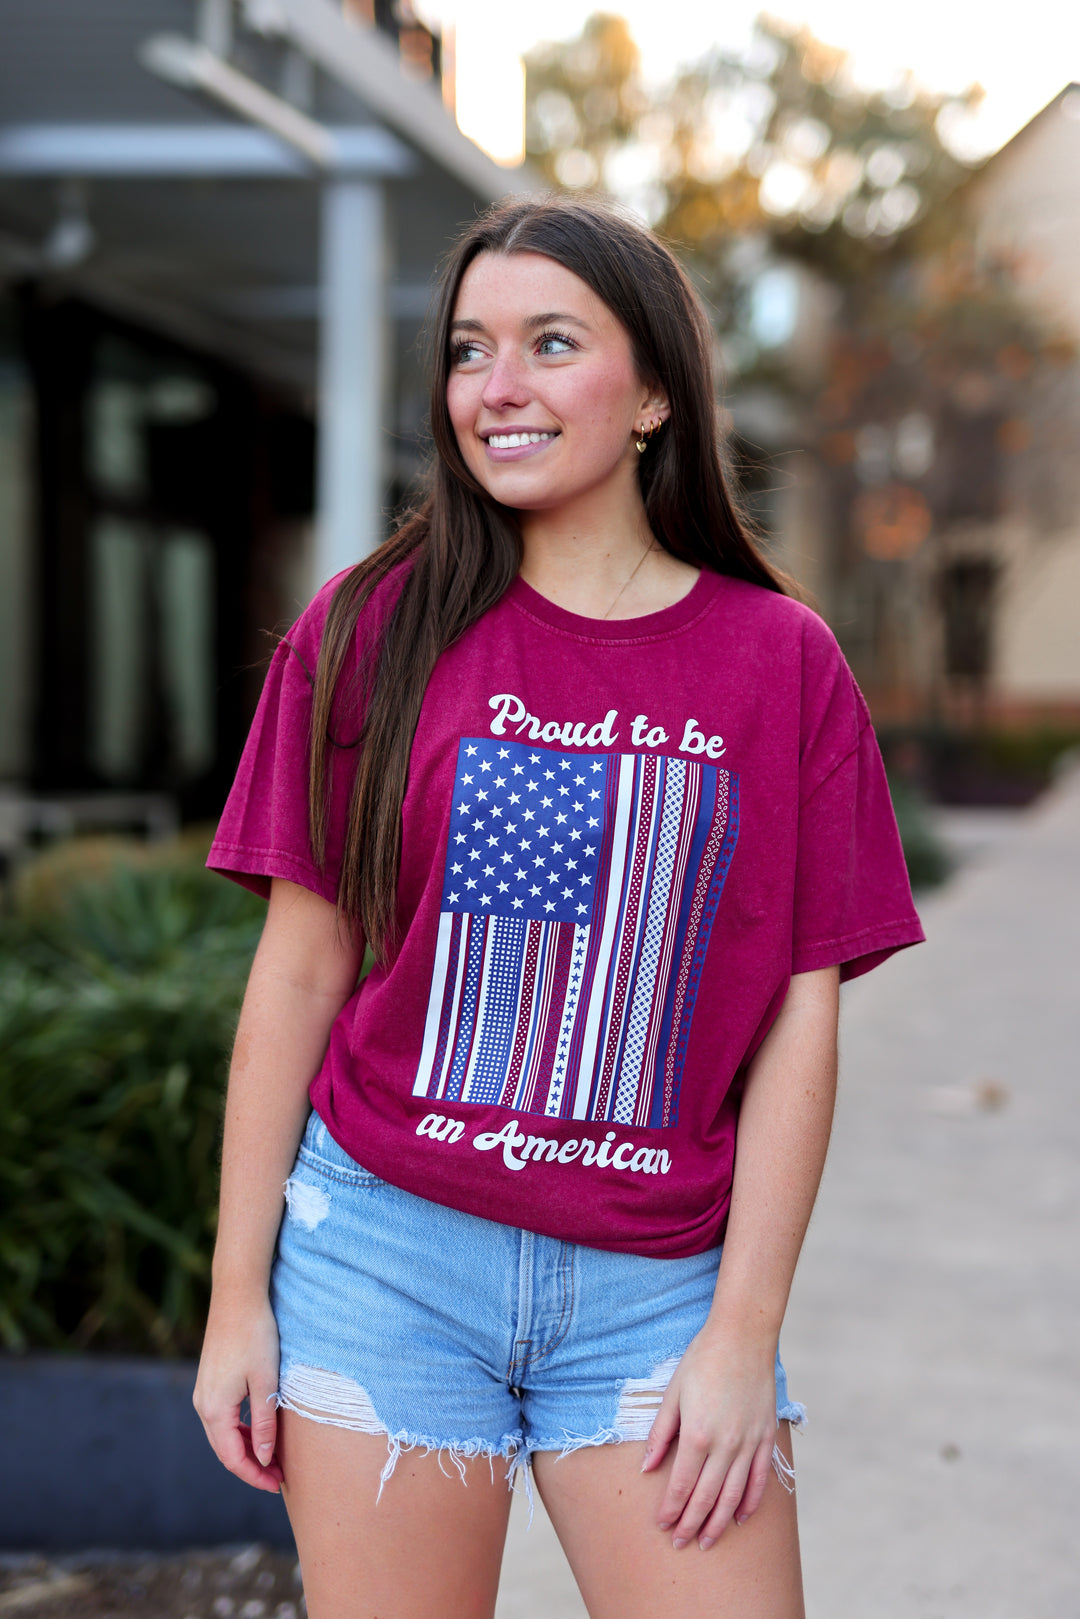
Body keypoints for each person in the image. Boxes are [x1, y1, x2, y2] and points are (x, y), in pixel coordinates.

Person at [194, 194, 923, 1619]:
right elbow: (298, 976)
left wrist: (741, 1334)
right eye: (470, 351)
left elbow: (797, 1020)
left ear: (655, 391)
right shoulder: (371, 630)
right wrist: (236, 1303)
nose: (498, 387)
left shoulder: (780, 662)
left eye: (549, 343)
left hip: (655, 1284)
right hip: (384, 1255)